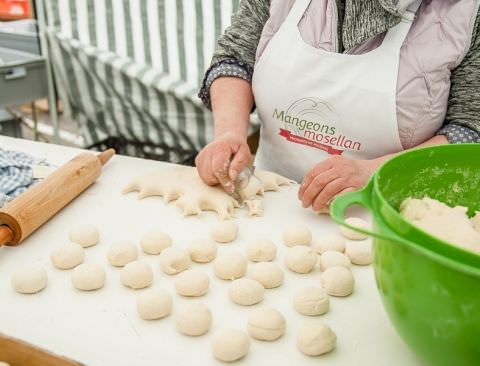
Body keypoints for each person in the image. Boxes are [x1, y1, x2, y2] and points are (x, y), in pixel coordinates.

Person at [195, 0, 480, 212]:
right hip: (266, 204)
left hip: (389, 219)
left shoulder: (466, 12)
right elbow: (235, 58)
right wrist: (229, 133)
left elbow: (470, 127)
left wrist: (375, 172)